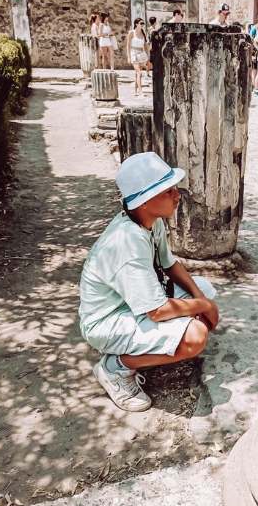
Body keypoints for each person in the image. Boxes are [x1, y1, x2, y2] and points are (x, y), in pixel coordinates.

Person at [79, 151, 219, 413]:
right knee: (195, 337)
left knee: (206, 290)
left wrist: (202, 299)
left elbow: (170, 264)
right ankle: (116, 367)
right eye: (168, 191)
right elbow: (156, 311)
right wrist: (202, 308)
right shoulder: (126, 243)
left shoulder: (150, 222)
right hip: (108, 322)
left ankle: (156, 346)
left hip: (136, 305)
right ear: (144, 201)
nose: (177, 195)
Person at [126, 17, 149, 96]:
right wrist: (129, 57)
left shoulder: (143, 33)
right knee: (139, 72)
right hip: (133, 53)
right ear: (136, 24)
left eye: (143, 23)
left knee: (137, 73)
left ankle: (135, 91)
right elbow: (128, 45)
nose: (142, 25)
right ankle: (140, 91)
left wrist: (147, 55)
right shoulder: (131, 33)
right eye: (141, 23)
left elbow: (145, 46)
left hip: (141, 53)